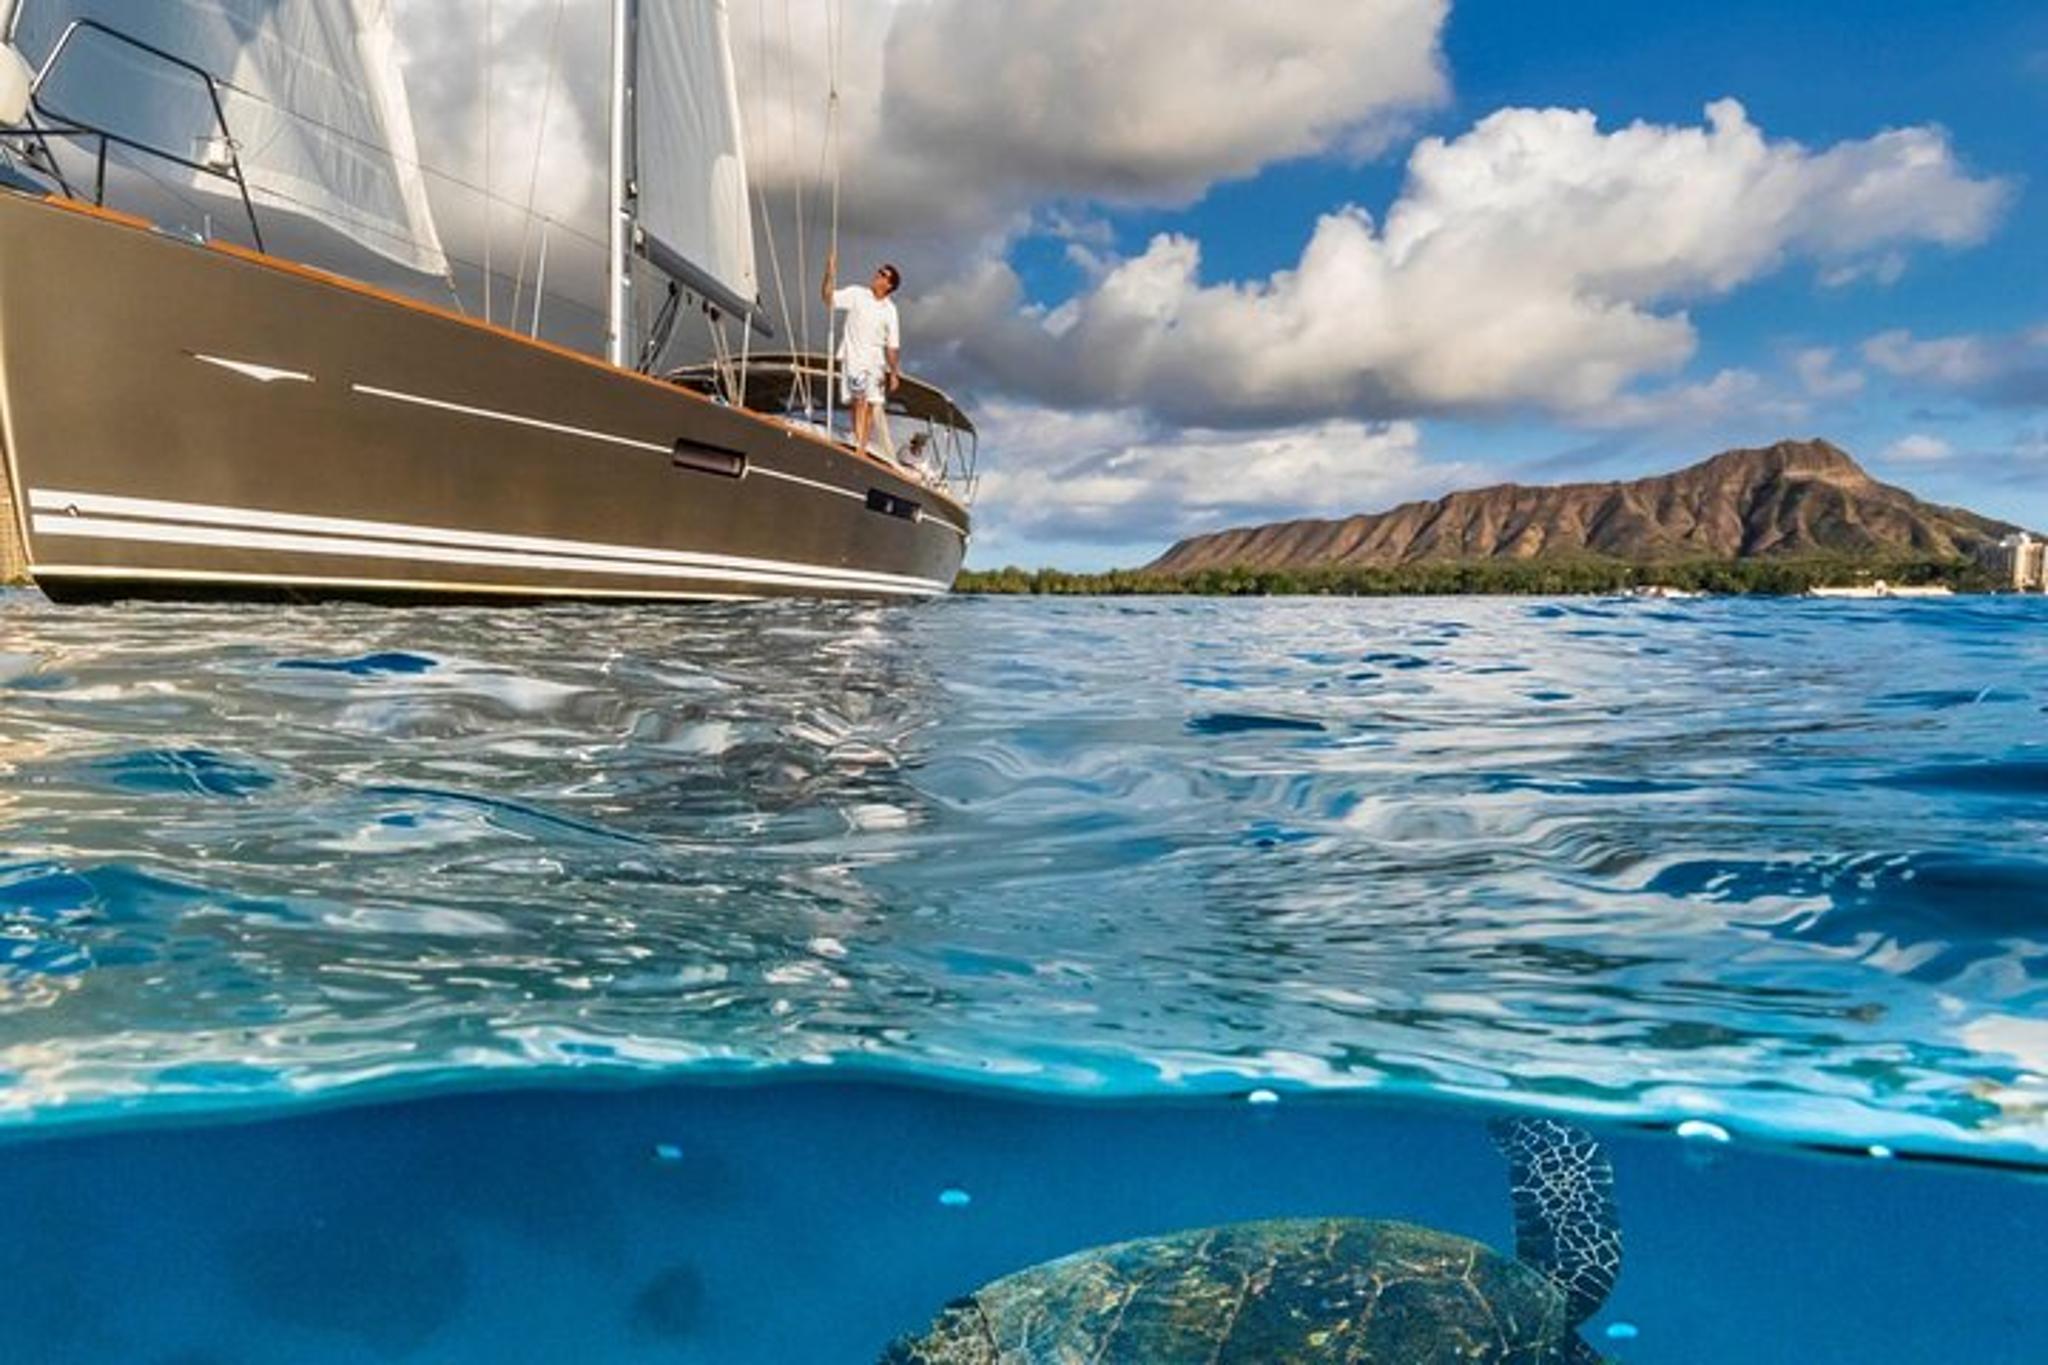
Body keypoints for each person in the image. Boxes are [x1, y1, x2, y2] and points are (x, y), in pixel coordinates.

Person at [821, 250, 902, 458]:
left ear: (889, 285)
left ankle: (862, 446)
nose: (877, 275)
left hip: (876, 362)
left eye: (883, 274)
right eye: (879, 272)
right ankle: (860, 447)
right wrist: (829, 272)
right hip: (854, 357)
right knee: (860, 400)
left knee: (870, 404)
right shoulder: (857, 293)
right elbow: (828, 299)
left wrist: (893, 373)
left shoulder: (890, 310)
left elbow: (892, 345)